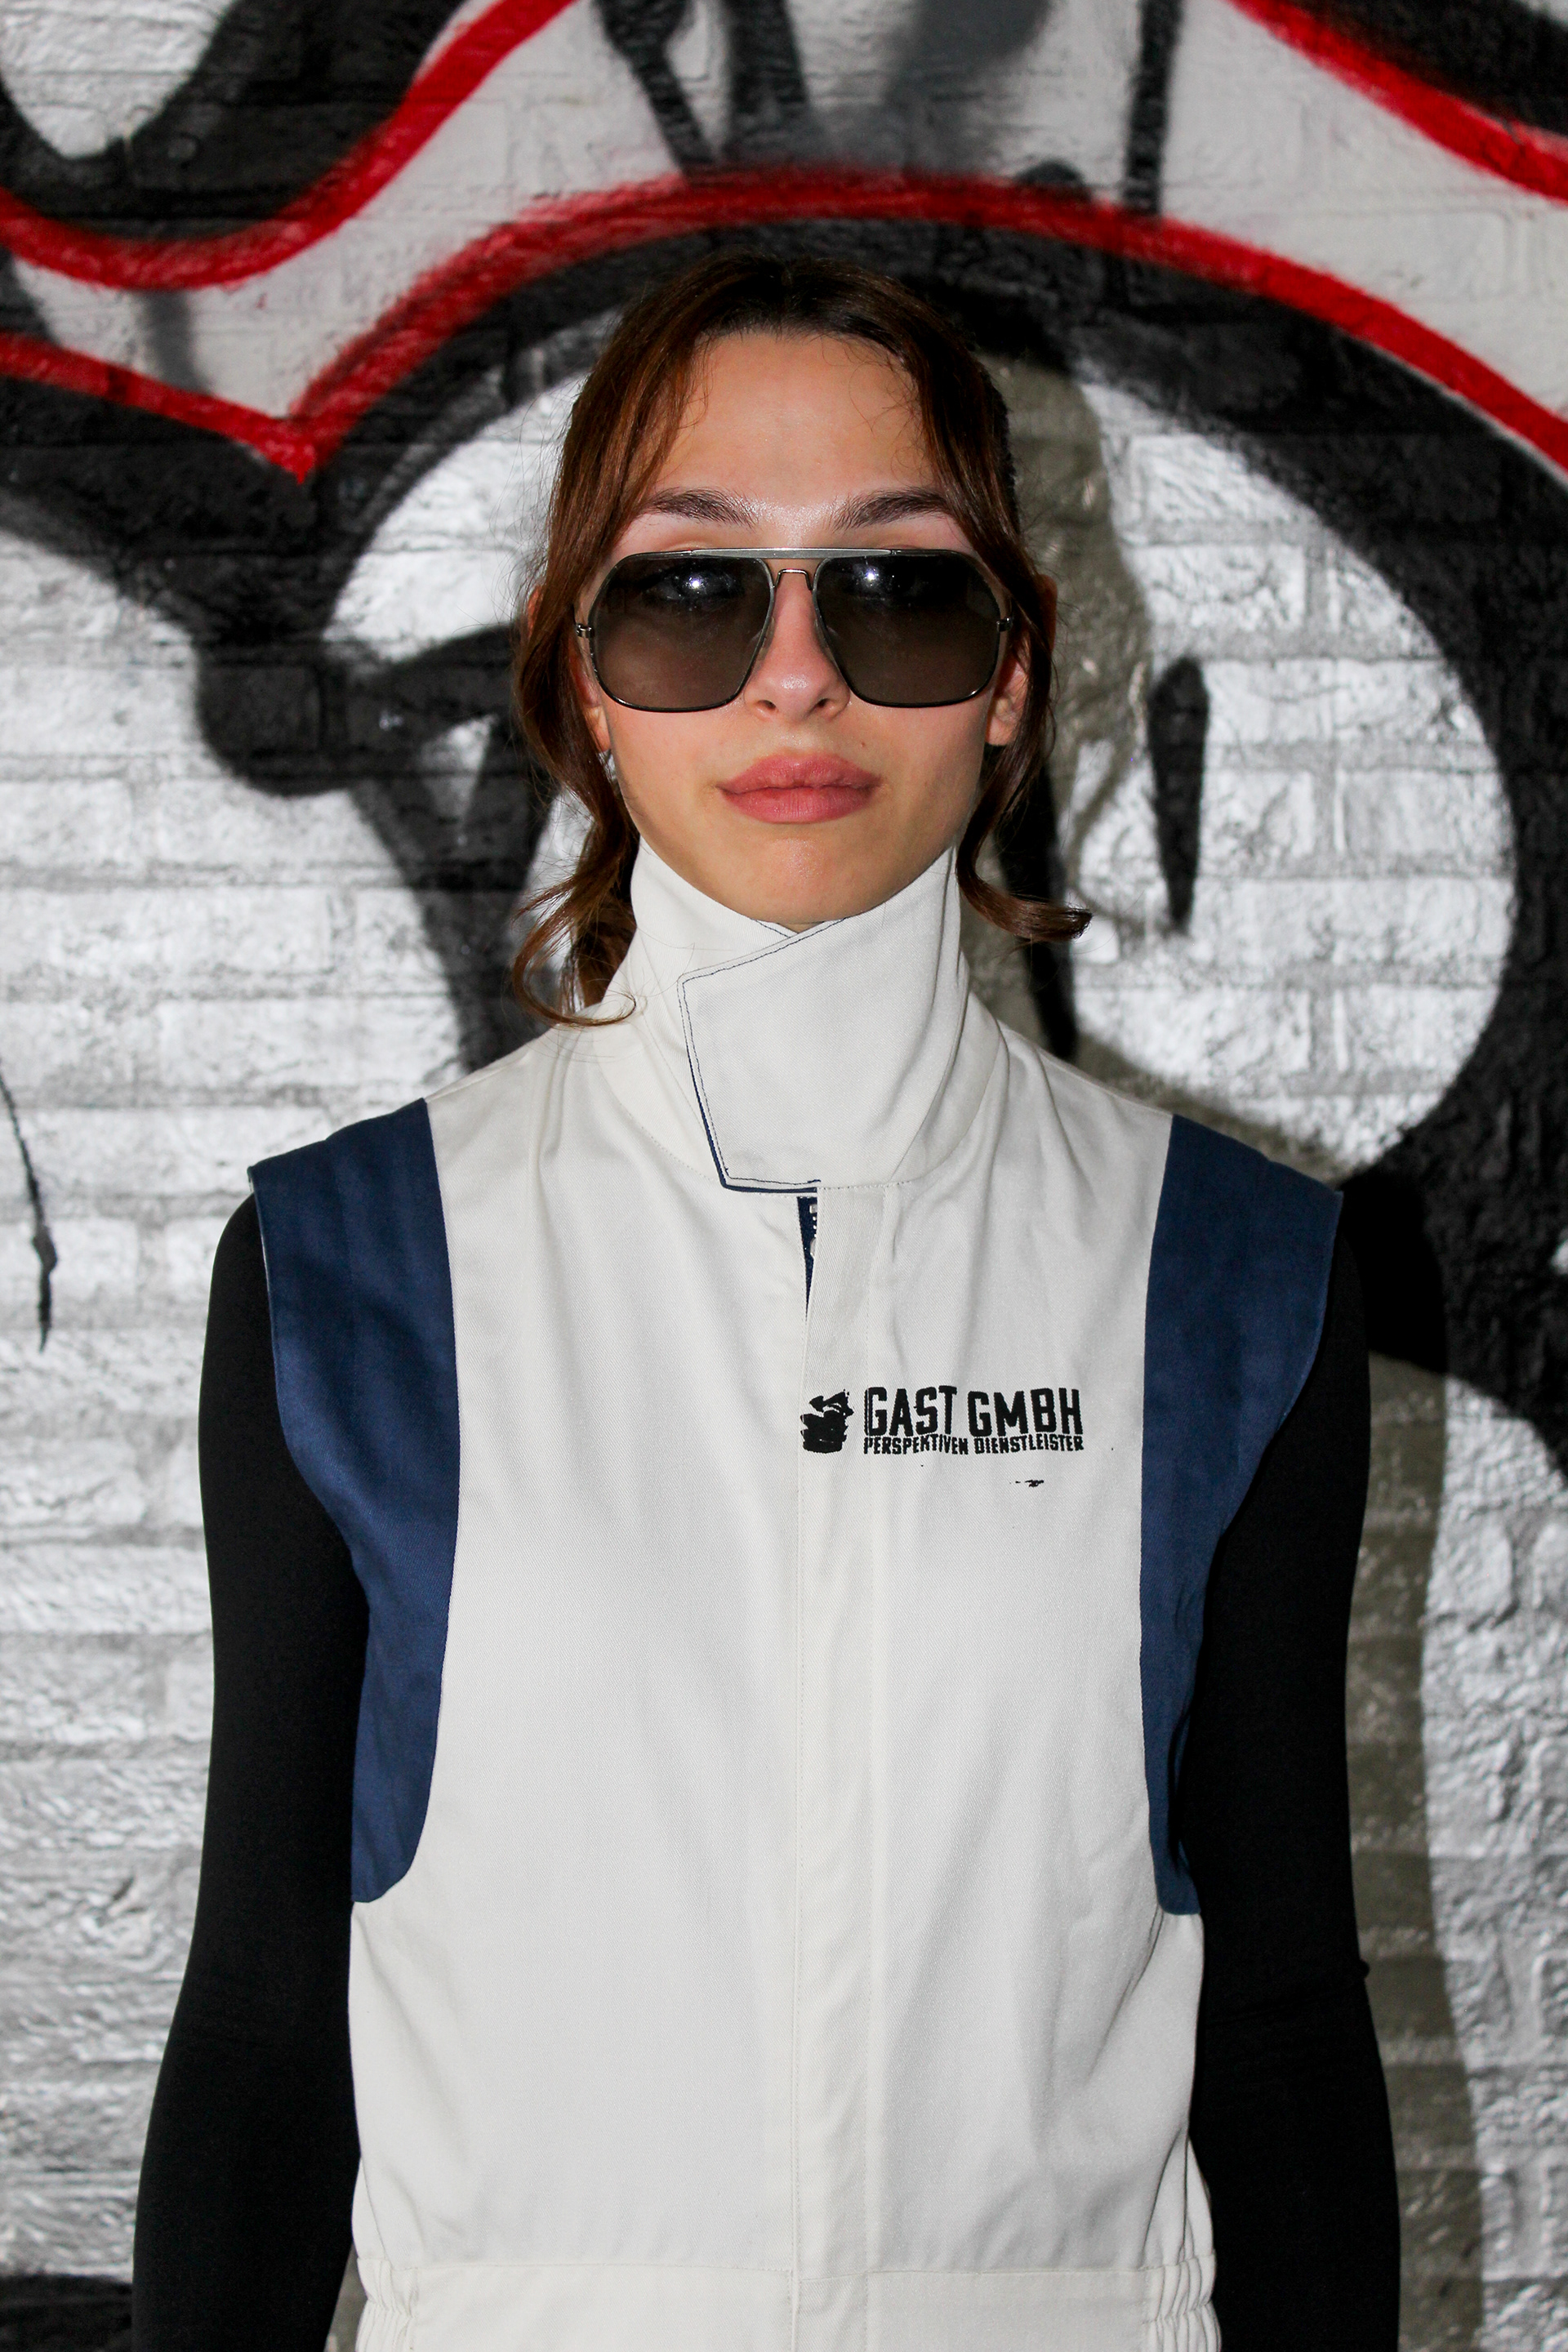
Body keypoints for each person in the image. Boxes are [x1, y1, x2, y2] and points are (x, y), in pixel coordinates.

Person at [132, 253, 1399, 2352]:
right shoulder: (347, 1273)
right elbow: (269, 2031)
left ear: (1011, 678)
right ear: (588, 685)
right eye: (692, 595)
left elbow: (1278, 2026)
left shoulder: (1234, 1276)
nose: (795, 679)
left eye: (897, 594)